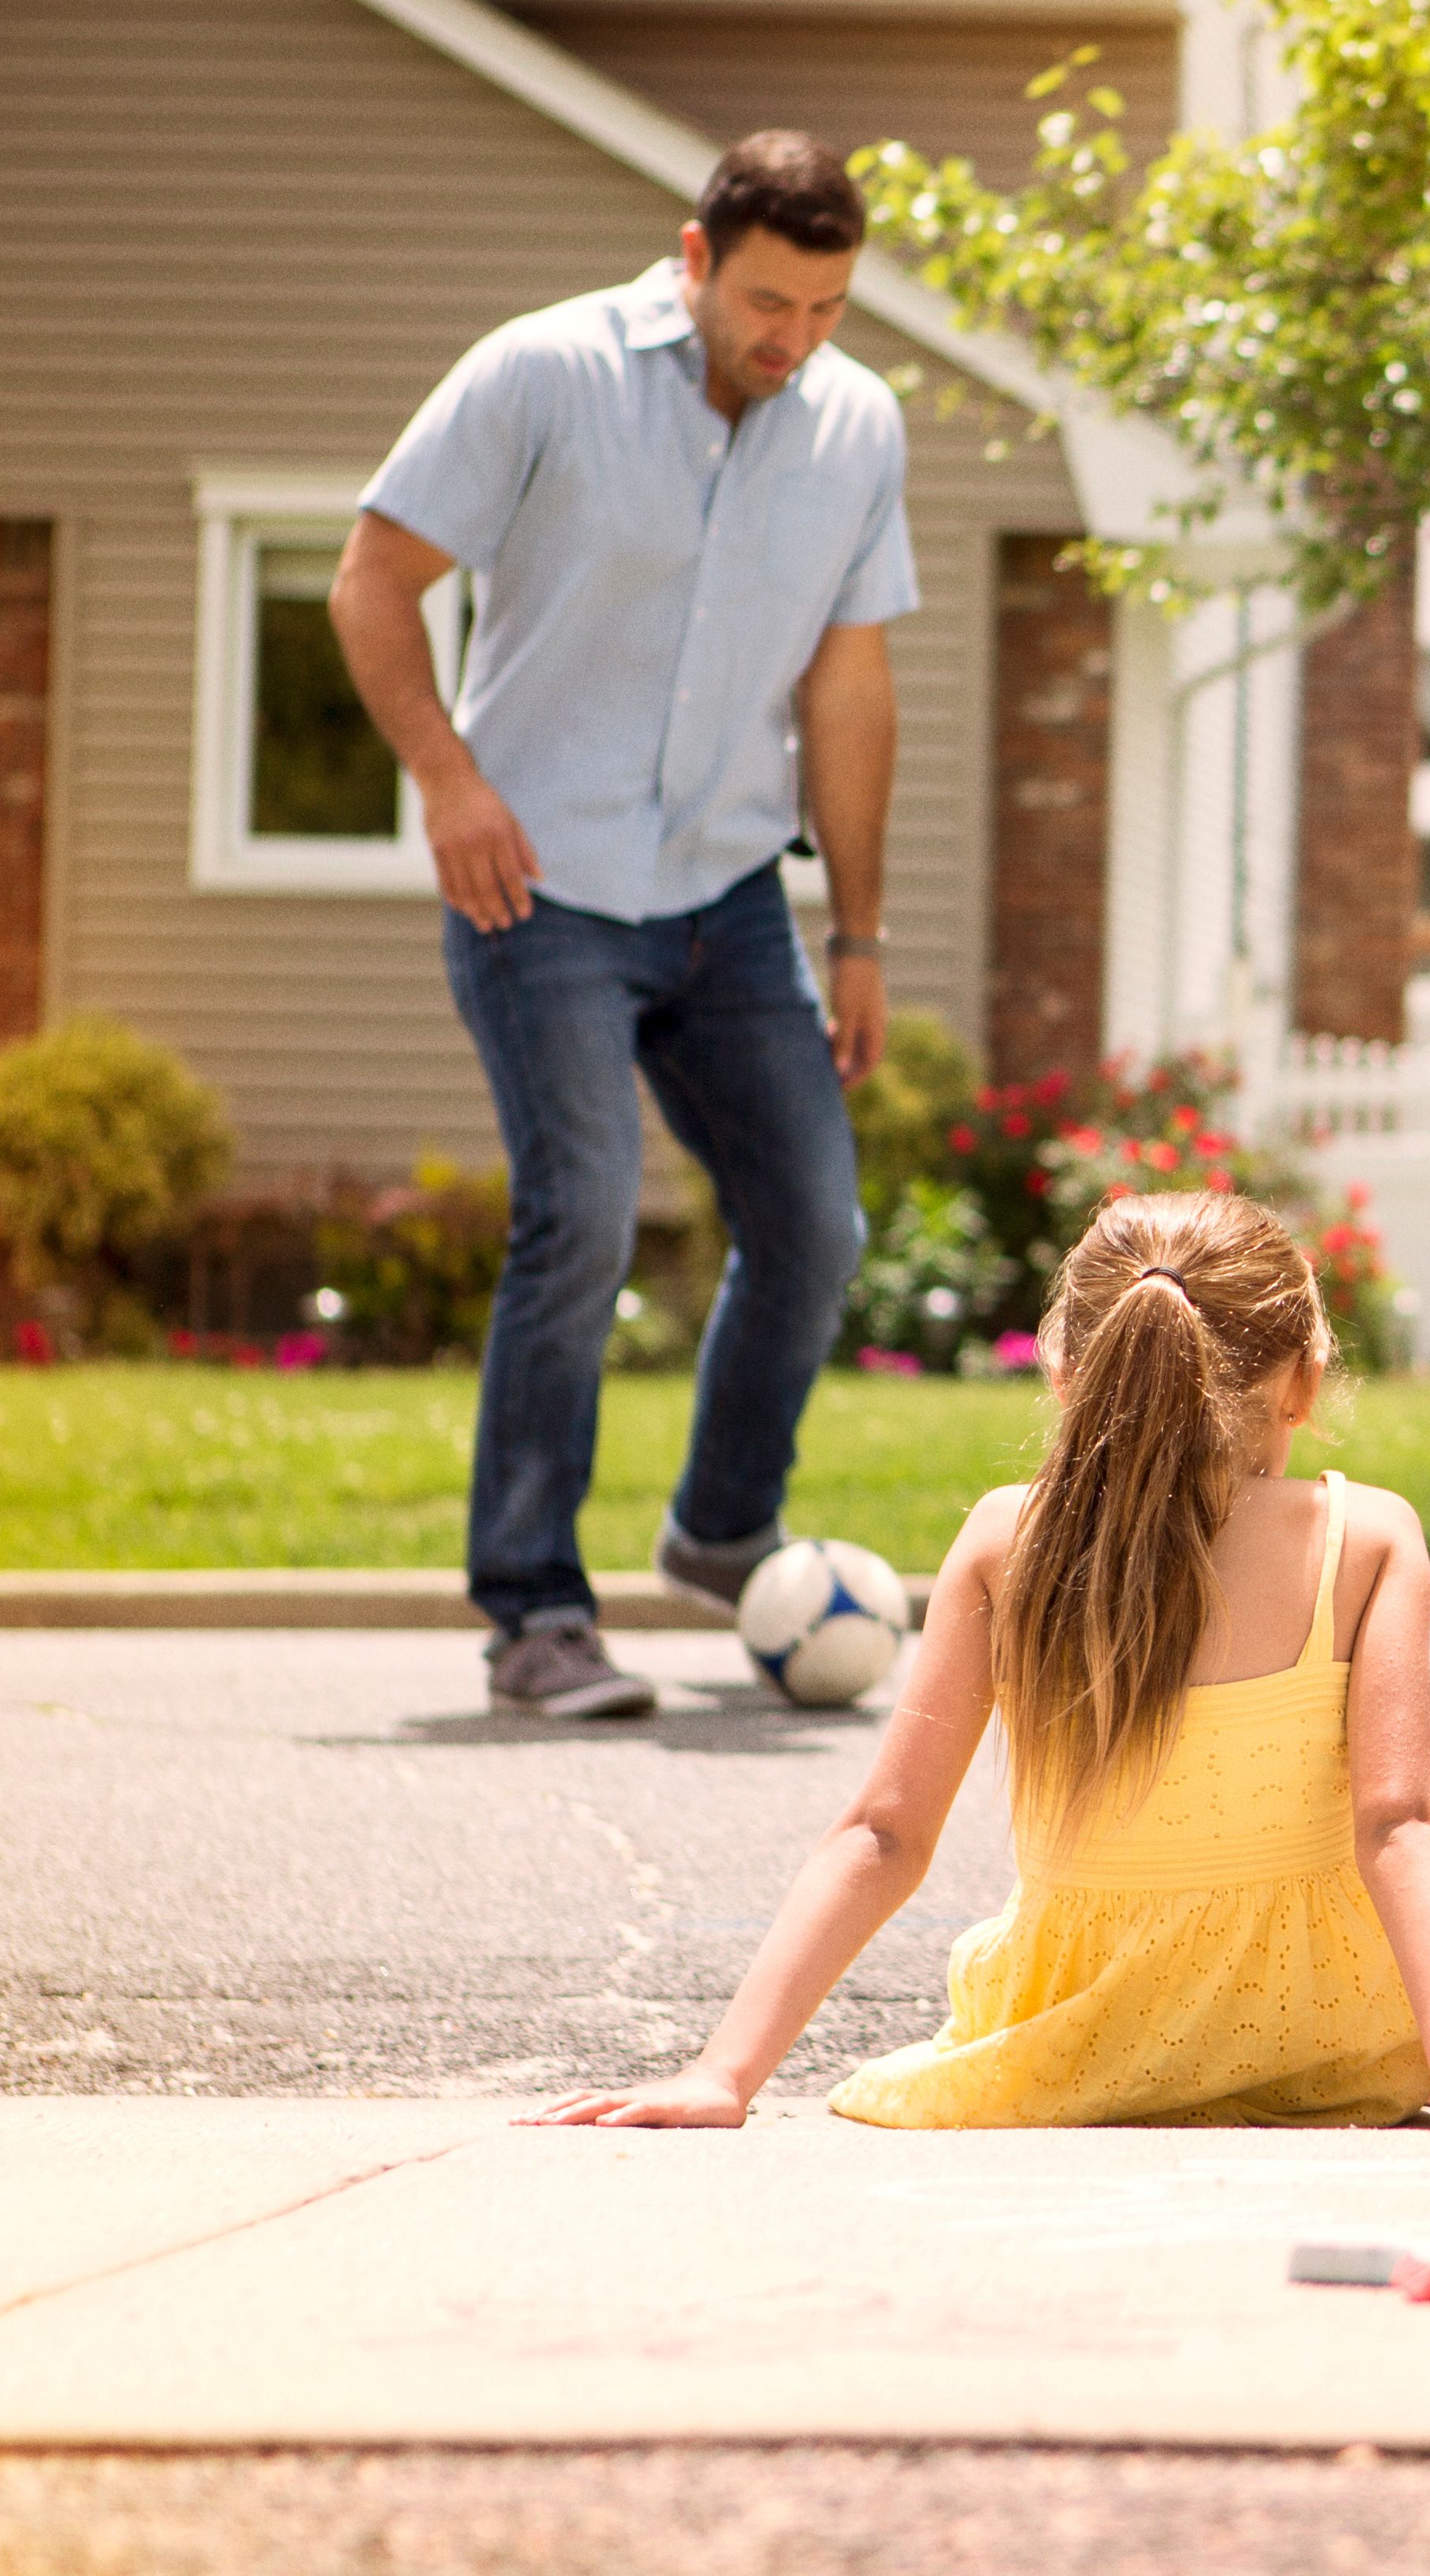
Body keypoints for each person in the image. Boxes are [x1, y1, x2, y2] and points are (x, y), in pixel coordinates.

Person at [533, 1191, 1430, 2132]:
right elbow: (1402, 1824)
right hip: (1329, 2050)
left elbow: (883, 1835)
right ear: (1305, 1379)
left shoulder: (1008, 1539)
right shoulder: (1368, 1536)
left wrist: (723, 2074)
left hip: (1074, 2048)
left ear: (1065, 1375)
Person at [333, 133, 913, 1721]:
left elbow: (850, 685)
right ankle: (534, 1609)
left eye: (828, 309)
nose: (795, 339)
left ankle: (724, 1533)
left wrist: (859, 935)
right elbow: (373, 580)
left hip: (730, 895)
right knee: (583, 1217)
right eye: (770, 303)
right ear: (695, 257)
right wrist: (447, 781)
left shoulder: (857, 426)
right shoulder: (546, 372)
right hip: (538, 886)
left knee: (814, 1221)